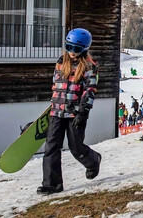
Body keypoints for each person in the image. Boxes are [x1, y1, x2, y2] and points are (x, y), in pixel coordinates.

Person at [38, 28, 101, 195]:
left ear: (85, 49)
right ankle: (52, 184)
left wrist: (83, 112)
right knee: (51, 147)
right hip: (57, 112)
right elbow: (56, 86)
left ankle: (93, 161)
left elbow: (90, 90)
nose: (72, 52)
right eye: (69, 47)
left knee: (76, 148)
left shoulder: (89, 66)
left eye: (77, 49)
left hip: (75, 113)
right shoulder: (60, 62)